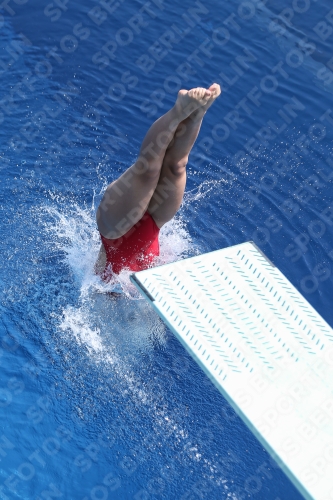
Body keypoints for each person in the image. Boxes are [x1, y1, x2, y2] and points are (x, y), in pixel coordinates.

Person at [95, 83, 221, 280]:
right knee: (176, 166)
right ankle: (198, 112)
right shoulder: (139, 298)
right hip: (152, 227)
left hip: (114, 232)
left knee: (148, 170)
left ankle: (179, 110)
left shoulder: (97, 291)